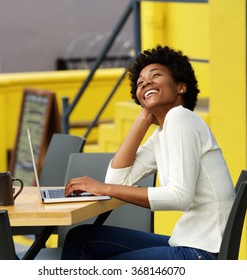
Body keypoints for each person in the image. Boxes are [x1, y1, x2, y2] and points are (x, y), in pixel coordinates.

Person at [62, 45, 236, 260]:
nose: (146, 82)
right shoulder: (165, 131)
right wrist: (144, 118)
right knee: (81, 238)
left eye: (156, 76)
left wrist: (103, 188)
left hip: (200, 253)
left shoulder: (181, 119)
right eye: (141, 83)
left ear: (181, 87)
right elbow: (118, 179)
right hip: (188, 243)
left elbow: (179, 197)